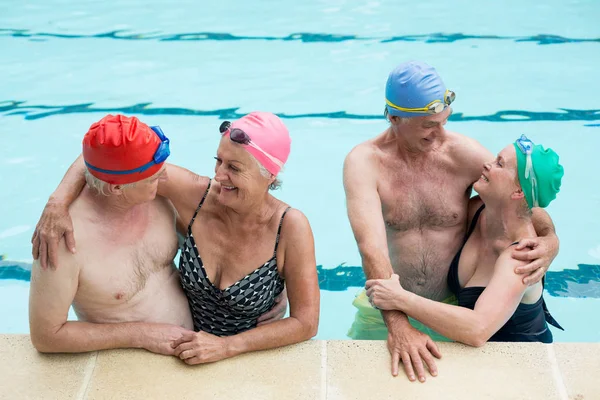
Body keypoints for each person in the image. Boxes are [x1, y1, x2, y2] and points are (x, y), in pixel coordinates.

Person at [32, 112, 320, 364]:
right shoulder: (194, 195)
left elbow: (306, 323)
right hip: (162, 360)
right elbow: (100, 155)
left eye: (233, 168)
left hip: (242, 357)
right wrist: (57, 202)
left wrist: (268, 289)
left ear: (271, 174)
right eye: (218, 161)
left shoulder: (289, 227)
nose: (219, 175)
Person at [343, 61, 560, 381]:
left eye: (444, 121)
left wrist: (551, 241)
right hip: (388, 310)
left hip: (451, 310)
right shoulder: (364, 163)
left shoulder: (462, 154)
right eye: (429, 125)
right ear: (395, 118)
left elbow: (520, 199)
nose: (441, 132)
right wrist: (399, 325)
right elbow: (371, 249)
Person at [366, 135, 564, 345]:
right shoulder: (477, 211)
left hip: (520, 363)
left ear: (517, 191)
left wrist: (400, 298)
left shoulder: (523, 257)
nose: (487, 165)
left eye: (499, 163)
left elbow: (477, 330)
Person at [29, 114, 195, 355]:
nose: (166, 178)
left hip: (197, 344)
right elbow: (46, 336)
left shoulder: (157, 195)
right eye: (154, 178)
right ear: (116, 187)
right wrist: (141, 335)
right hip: (132, 365)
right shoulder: (64, 240)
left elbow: (111, 139)